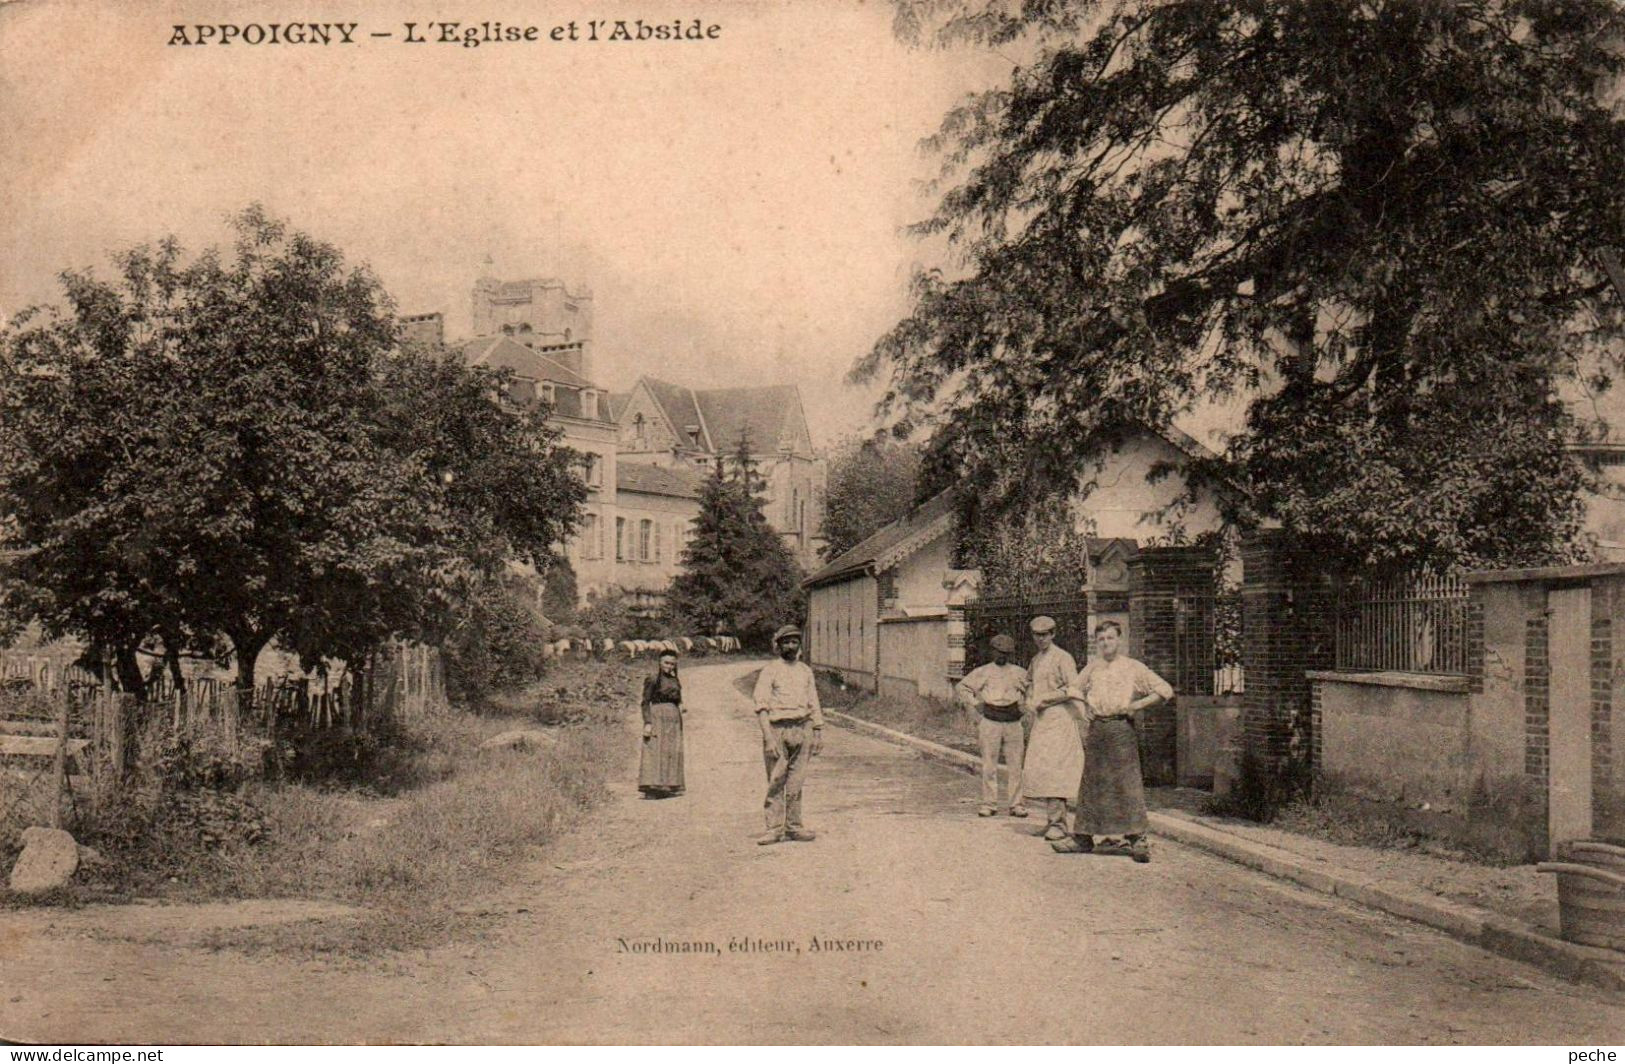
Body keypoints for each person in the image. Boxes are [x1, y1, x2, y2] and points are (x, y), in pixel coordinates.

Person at [1051, 621, 1173, 863]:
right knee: (1092, 783)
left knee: (1127, 782)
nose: (1106, 643)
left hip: (1121, 729)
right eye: (1101, 639)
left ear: (1120, 640)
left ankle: (1137, 838)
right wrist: (1082, 709)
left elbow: (1164, 690)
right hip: (1097, 729)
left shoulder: (1132, 667)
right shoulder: (1093, 668)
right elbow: (1073, 689)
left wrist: (1136, 705)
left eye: (1110, 638)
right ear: (1097, 643)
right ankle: (1083, 838)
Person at [752, 624, 824, 845]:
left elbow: (814, 703)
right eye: (786, 642)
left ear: (799, 645)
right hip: (778, 730)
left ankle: (794, 826)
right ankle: (774, 829)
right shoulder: (770, 670)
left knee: (796, 781)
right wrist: (768, 738)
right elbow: (761, 706)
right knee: (776, 780)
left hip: (802, 729)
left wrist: (818, 732)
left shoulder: (805, 671)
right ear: (778, 645)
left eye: (794, 642)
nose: (790, 646)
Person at [1020, 615, 1085, 841]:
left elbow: (1074, 688)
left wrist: (1046, 699)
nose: (1041, 639)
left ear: (1053, 634)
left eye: (1045, 634)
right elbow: (1028, 683)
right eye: (1037, 635)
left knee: (1058, 770)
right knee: (1044, 769)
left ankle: (1060, 824)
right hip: (1042, 721)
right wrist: (1028, 699)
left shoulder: (1063, 658)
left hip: (1061, 719)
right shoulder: (1036, 659)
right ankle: (1051, 821)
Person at [955, 633, 1030, 817]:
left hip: (1013, 721)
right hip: (990, 720)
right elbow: (962, 687)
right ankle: (989, 803)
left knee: (1015, 765)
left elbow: (1032, 689)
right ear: (992, 652)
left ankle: (1016, 804)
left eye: (1006, 653)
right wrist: (975, 704)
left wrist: (1025, 706)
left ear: (1010, 654)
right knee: (989, 765)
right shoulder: (983, 672)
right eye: (998, 652)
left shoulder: (1019, 672)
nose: (1001, 656)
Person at [638, 650, 686, 798]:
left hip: (673, 719)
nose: (669, 666)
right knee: (655, 749)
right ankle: (652, 788)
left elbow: (678, 698)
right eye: (666, 663)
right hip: (658, 717)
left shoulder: (675, 680)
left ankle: (668, 785)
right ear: (659, 662)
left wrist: (681, 705)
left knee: (671, 750)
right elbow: (645, 702)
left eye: (672, 664)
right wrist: (647, 723)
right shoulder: (652, 679)